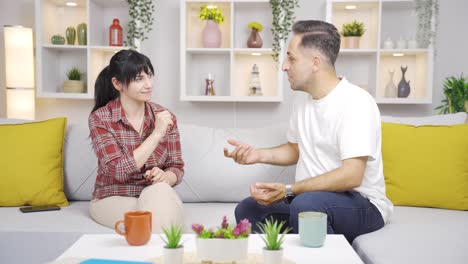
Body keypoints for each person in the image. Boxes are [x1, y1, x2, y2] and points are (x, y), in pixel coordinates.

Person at [224, 20, 393, 243]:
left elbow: (352, 175)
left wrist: (290, 190)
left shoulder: (356, 102)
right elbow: (296, 149)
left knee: (307, 206)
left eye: (291, 58)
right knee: (249, 209)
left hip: (363, 204)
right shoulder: (302, 101)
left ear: (315, 63)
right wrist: (257, 155)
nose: (284, 66)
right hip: (311, 200)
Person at [88, 49, 184, 233]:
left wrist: (166, 177)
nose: (148, 84)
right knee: (157, 216)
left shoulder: (166, 116)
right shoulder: (100, 119)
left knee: (160, 192)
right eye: (139, 79)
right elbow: (119, 171)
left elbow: (176, 167)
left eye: (149, 76)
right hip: (111, 197)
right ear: (117, 83)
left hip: (155, 194)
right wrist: (156, 134)